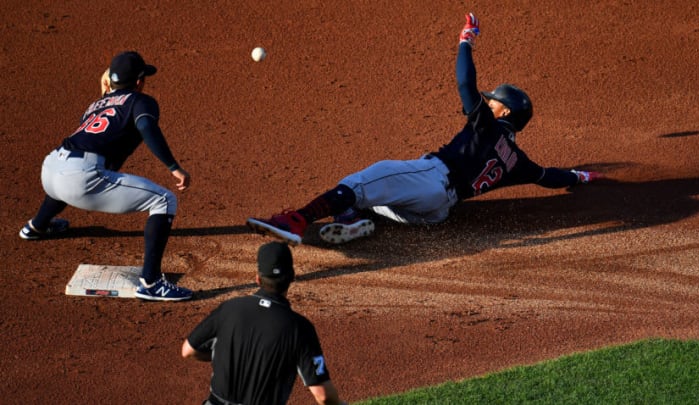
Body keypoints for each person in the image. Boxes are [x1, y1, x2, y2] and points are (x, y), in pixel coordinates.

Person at [246, 13, 602, 246]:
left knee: (361, 181)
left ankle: (295, 221)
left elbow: (465, 83)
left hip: (431, 179)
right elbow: (550, 177)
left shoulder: (486, 126)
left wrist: (467, 40)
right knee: (373, 199)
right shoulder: (517, 160)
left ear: (504, 110)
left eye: (494, 100)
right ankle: (351, 220)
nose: (488, 101)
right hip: (436, 213)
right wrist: (581, 176)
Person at [19, 51, 193, 301]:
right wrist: (174, 167)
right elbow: (146, 127)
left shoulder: (94, 106)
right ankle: (152, 283)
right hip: (80, 177)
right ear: (139, 81)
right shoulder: (141, 101)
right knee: (164, 200)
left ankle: (36, 226)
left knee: (66, 180)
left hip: (50, 168)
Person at [181, 241, 346, 405]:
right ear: (292, 277)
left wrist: (229, 357)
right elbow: (322, 395)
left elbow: (188, 351)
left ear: (258, 278)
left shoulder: (229, 308)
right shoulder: (300, 327)